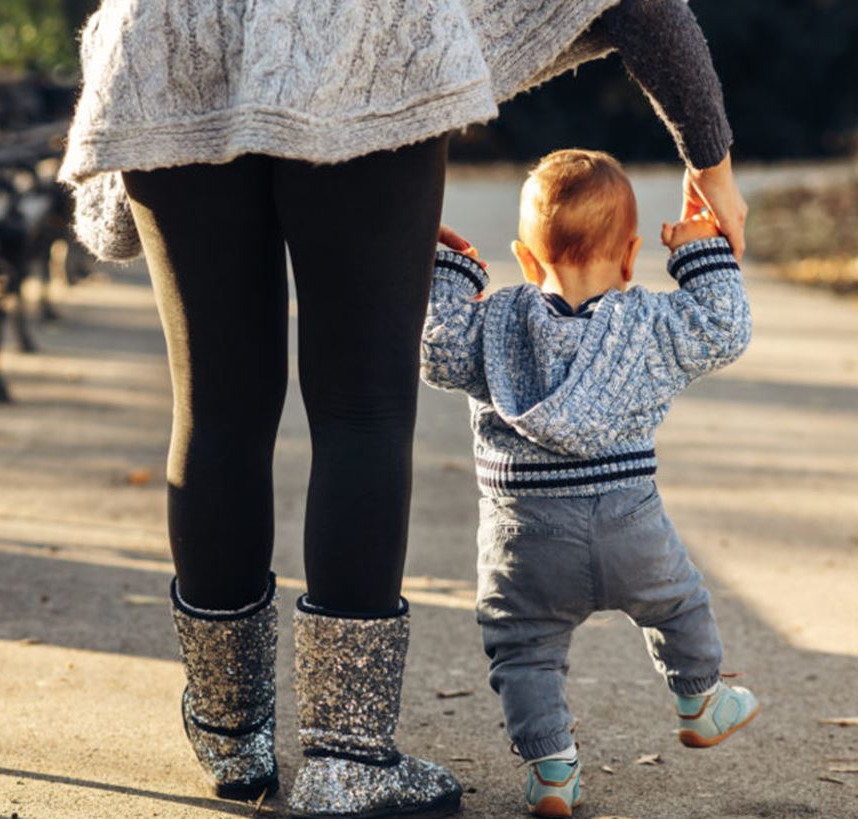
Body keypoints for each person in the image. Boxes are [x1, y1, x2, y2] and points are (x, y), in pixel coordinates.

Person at [59, 1, 747, 816]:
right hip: (361, 39)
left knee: (215, 408)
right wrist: (710, 168)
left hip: (171, 36)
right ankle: (346, 759)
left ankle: (227, 730)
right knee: (361, 408)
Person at [420, 149, 759, 818]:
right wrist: (700, 252)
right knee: (679, 603)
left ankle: (549, 766)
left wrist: (446, 270)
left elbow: (435, 348)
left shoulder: (492, 326)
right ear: (631, 258)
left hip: (525, 540)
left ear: (523, 258)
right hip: (630, 528)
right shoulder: (650, 326)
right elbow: (724, 327)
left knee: (522, 649)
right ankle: (699, 697)